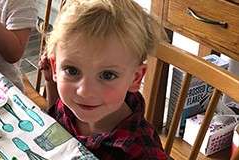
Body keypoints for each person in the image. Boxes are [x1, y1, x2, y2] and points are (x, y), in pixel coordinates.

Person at [39, 0, 168, 159]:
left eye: (107, 75)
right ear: (55, 67)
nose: (84, 91)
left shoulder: (141, 151)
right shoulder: (71, 103)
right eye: (72, 71)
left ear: (136, 78)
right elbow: (56, 121)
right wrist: (51, 84)